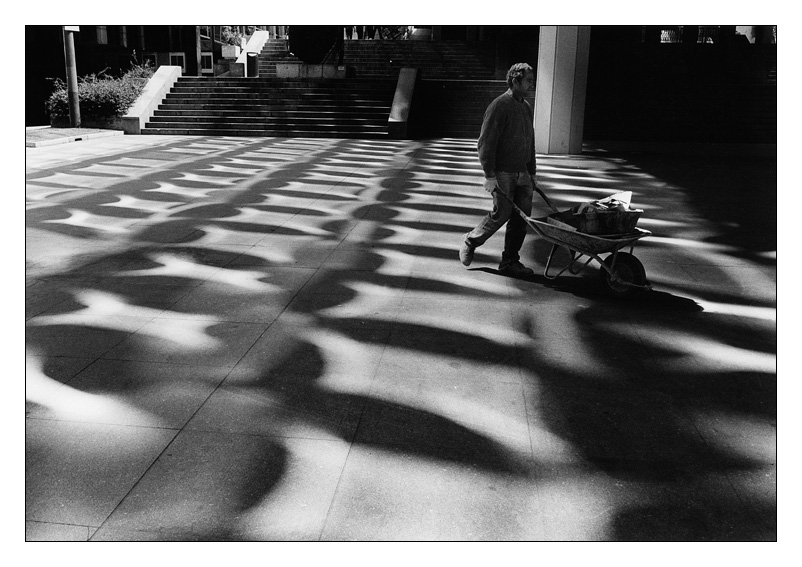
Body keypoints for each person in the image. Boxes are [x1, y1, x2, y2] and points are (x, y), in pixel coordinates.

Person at [459, 62, 538, 277]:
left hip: (523, 173)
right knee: (501, 214)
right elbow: (486, 142)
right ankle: (471, 240)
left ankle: (510, 261)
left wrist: (532, 171)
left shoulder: (526, 107)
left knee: (521, 220)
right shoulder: (499, 106)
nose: (532, 84)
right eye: (528, 80)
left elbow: (529, 141)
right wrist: (489, 175)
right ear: (515, 81)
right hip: (503, 173)